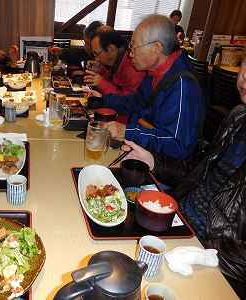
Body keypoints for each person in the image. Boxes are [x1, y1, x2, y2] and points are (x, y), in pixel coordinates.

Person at [120, 59, 246, 299]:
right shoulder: (239, 116)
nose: (245, 76)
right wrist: (153, 161)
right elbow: (201, 172)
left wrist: (204, 253)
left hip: (209, 257)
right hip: (177, 222)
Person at [86, 15, 207, 160]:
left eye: (134, 47)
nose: (130, 54)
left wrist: (127, 131)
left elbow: (177, 145)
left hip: (165, 168)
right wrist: (103, 100)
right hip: (144, 151)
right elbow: (137, 102)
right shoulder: (156, 71)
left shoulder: (183, 85)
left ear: (156, 48)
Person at [84, 26, 147, 123]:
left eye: (97, 54)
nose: (96, 59)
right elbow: (117, 81)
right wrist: (101, 70)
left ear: (111, 49)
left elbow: (127, 103)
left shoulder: (133, 66)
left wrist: (101, 83)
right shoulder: (121, 55)